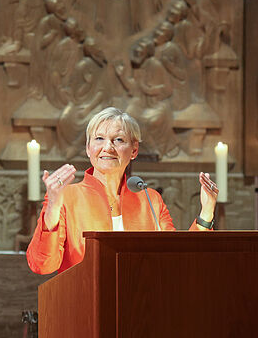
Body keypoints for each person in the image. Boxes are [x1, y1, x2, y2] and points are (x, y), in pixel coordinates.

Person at [26, 107, 219, 274]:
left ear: (134, 150)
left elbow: (179, 259)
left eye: (118, 139)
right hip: (84, 305)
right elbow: (42, 265)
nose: (107, 147)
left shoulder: (150, 200)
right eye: (99, 138)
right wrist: (52, 207)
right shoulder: (66, 197)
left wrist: (207, 211)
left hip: (142, 306)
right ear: (88, 148)